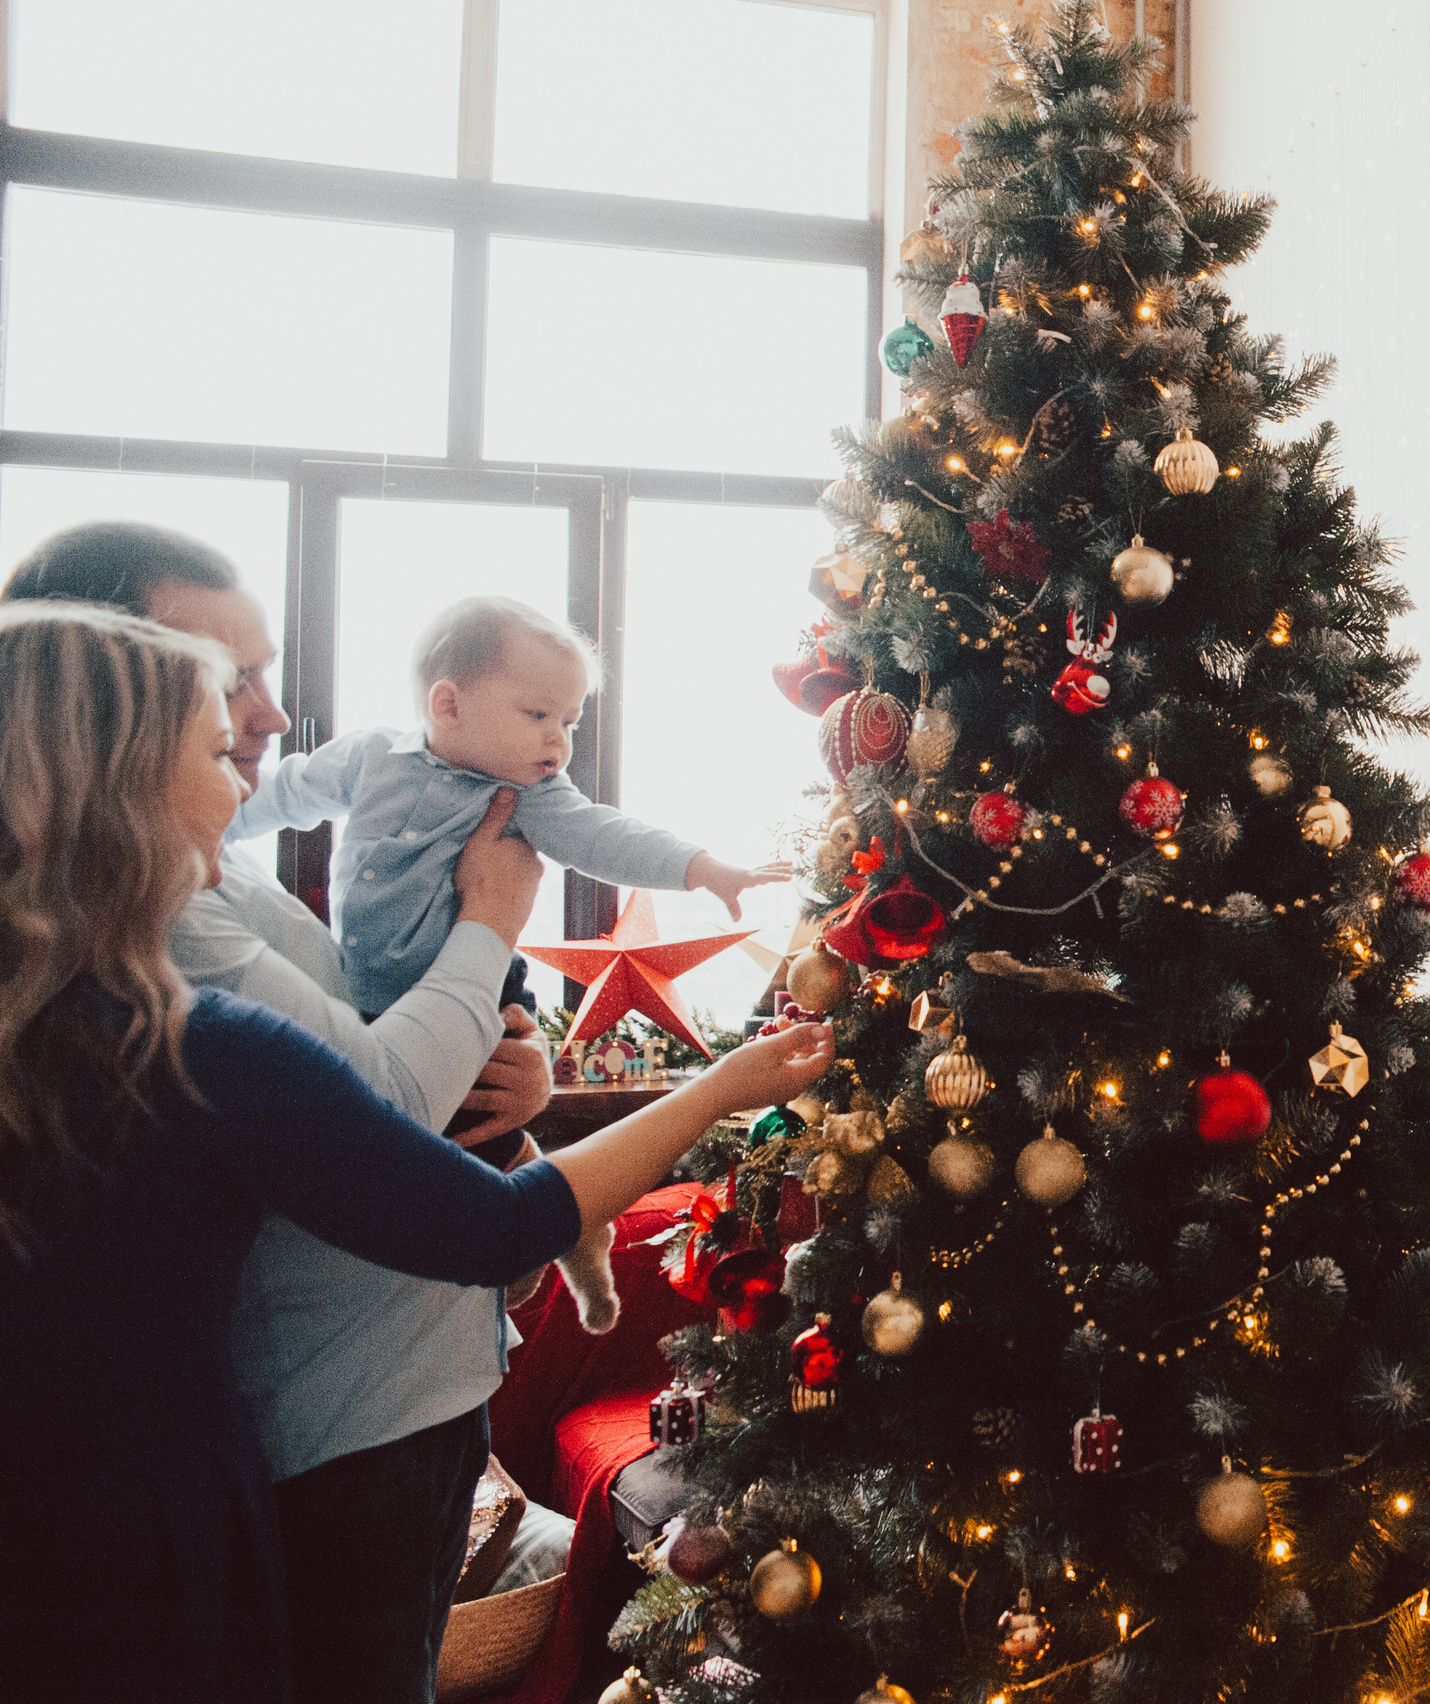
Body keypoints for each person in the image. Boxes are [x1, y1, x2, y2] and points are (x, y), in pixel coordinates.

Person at [0, 600, 836, 1702]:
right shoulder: (193, 1042)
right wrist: (726, 1085)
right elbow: (486, 1227)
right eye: (214, 749)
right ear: (128, 785)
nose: (243, 784)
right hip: (148, 1530)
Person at [1, 524, 567, 1699]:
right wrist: (490, 925)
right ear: (101, 696)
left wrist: (509, 1066)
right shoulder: (156, 914)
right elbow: (385, 1105)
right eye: (228, 681)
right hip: (311, 1422)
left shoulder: (215, 863)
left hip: (400, 1392)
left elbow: (377, 1068)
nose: (269, 715)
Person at [234, 594, 780, 1016]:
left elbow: (601, 836)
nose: (558, 741)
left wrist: (701, 868)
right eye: (538, 716)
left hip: (482, 998)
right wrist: (212, 827)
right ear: (448, 705)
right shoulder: (371, 756)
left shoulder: (527, 795)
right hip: (356, 992)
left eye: (568, 722)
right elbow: (286, 790)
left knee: (476, 1132)